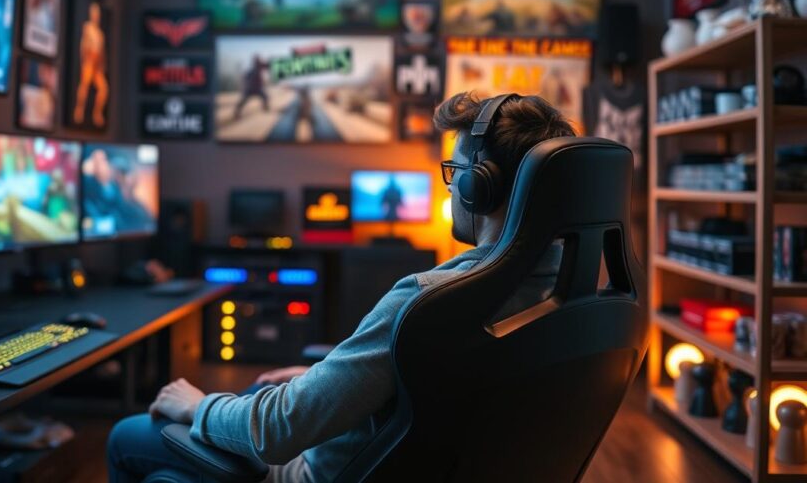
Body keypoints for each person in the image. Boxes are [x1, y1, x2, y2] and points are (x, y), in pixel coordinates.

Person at [106, 92, 577, 482]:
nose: (451, 189)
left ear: (481, 188)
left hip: (324, 472)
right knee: (261, 390)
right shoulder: (569, 290)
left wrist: (197, 405)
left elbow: (278, 432)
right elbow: (437, 385)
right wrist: (334, 377)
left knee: (127, 435)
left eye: (456, 174)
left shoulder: (426, 298)